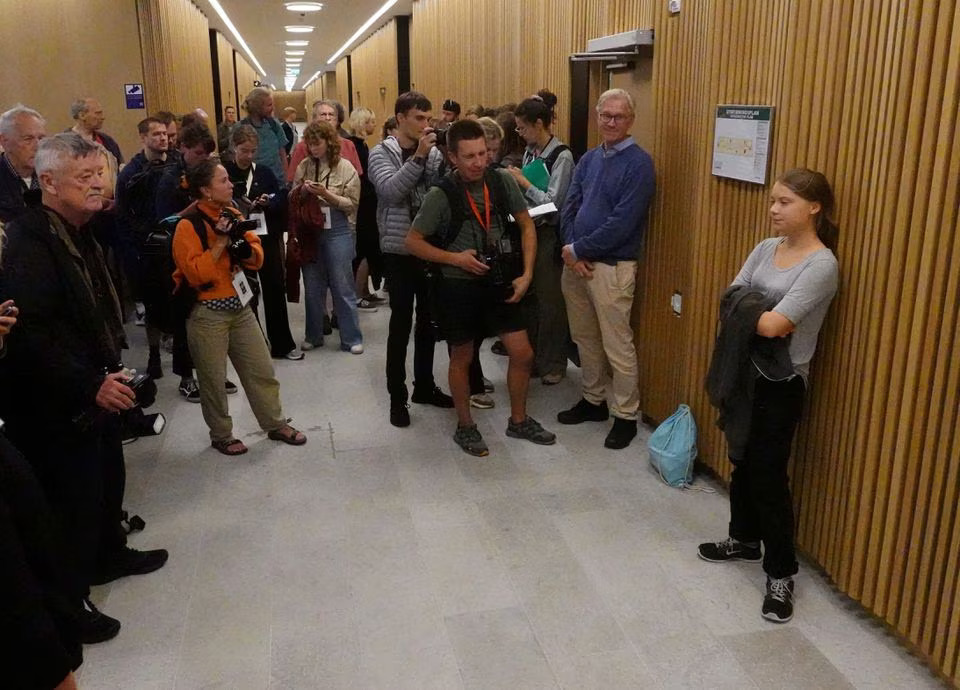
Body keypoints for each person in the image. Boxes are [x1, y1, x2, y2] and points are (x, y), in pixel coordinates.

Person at [0, 133, 169, 642]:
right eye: (86, 178)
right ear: (48, 182)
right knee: (69, 499)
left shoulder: (81, 228)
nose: (99, 186)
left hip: (95, 381)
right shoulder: (31, 240)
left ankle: (109, 555)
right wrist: (88, 384)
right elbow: (34, 333)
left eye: (102, 174)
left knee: (104, 479)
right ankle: (70, 605)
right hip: (54, 398)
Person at [698, 168, 840, 624]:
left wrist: (750, 307)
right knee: (740, 458)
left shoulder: (821, 265)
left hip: (781, 384)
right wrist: (754, 308)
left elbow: (775, 326)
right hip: (744, 372)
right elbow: (730, 298)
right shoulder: (765, 248)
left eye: (785, 202)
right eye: (774, 200)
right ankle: (743, 538)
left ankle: (781, 573)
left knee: (769, 476)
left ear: (813, 208)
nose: (774, 209)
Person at [405, 119, 555, 456]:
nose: (478, 162)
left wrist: (527, 273)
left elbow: (527, 226)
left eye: (483, 154)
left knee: (523, 353)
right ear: (452, 157)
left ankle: (518, 421)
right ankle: (466, 426)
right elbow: (413, 242)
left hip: (501, 281)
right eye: (469, 156)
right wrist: (455, 259)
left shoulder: (501, 181)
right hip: (458, 287)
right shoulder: (440, 195)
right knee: (462, 357)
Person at [172, 158, 307, 455]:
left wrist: (246, 249)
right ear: (206, 190)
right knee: (213, 381)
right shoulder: (187, 225)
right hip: (207, 313)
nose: (230, 184)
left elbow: (257, 257)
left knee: (262, 370)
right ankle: (221, 434)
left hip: (241, 307)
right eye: (223, 181)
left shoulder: (233, 212)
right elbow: (196, 274)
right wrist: (220, 241)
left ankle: (275, 423)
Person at [558, 88, 655, 450]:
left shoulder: (640, 164)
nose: (611, 122)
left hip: (612, 269)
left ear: (631, 120)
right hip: (576, 264)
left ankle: (626, 415)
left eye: (619, 116)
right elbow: (570, 203)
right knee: (584, 338)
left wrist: (579, 248)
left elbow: (623, 222)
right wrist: (571, 250)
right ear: (597, 116)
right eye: (606, 115)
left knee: (618, 345)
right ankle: (593, 399)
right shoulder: (588, 159)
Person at [368, 91, 454, 427]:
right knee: (400, 325)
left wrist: (442, 156)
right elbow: (389, 192)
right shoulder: (380, 153)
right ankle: (397, 397)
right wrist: (418, 157)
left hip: (428, 248)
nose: (425, 124)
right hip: (399, 250)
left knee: (428, 323)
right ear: (401, 117)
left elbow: (439, 190)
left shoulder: (431, 152)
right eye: (419, 118)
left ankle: (425, 386)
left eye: (428, 118)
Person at [507, 91, 575, 385]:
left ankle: (554, 362)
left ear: (539, 123)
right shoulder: (530, 153)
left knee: (550, 302)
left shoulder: (562, 156)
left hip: (549, 233)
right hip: (527, 229)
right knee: (529, 299)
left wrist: (523, 182)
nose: (520, 134)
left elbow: (554, 203)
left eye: (523, 128)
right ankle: (533, 358)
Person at [155, 122, 226, 402]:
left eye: (208, 156)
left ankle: (214, 374)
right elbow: (164, 221)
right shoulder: (170, 179)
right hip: (178, 255)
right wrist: (196, 206)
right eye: (198, 154)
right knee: (186, 319)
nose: (204, 160)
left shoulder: (204, 172)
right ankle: (187, 377)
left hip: (209, 251)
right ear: (183, 148)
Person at [224, 124, 301, 360]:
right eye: (244, 150)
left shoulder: (264, 172)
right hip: (237, 239)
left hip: (265, 235)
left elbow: (281, 198)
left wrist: (268, 201)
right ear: (234, 148)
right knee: (246, 292)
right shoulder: (225, 172)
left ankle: (282, 344)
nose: (248, 156)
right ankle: (254, 346)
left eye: (253, 151)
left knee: (274, 286)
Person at [289, 121, 364, 353]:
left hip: (338, 229)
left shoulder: (346, 167)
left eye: (317, 144)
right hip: (311, 230)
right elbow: (292, 196)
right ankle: (313, 335)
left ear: (329, 143)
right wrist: (303, 191)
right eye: (310, 144)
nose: (313, 149)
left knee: (343, 285)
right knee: (312, 285)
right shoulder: (303, 166)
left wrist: (326, 194)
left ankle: (351, 338)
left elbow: (351, 205)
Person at [116, 116, 176, 374]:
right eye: (156, 134)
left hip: (175, 245)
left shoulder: (176, 165)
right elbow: (123, 214)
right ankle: (153, 355)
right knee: (152, 305)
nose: (162, 138)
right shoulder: (132, 172)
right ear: (143, 138)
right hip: (147, 249)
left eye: (164, 133)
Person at [345, 107, 385, 309]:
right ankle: (359, 293)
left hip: (366, 201)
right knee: (365, 248)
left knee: (368, 248)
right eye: (370, 122)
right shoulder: (357, 147)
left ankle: (365, 290)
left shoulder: (361, 145)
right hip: (364, 204)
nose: (374, 125)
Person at [287, 99, 362, 182]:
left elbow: (356, 177)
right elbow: (293, 180)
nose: (327, 118)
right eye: (323, 114)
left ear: (337, 120)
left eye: (331, 115)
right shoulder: (302, 147)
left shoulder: (348, 145)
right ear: (314, 119)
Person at [0, 105, 45, 223]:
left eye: (41, 138)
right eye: (28, 139)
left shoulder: (52, 175)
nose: (38, 146)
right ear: (4, 141)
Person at [238, 87, 288, 184]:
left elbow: (283, 154)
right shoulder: (240, 128)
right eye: (269, 105)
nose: (272, 108)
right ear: (257, 107)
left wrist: (286, 179)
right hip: (252, 183)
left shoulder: (274, 125)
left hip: (277, 182)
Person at [68, 97, 123, 165]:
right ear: (82, 115)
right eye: (98, 113)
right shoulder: (63, 143)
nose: (102, 117)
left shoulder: (107, 141)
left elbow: (119, 167)